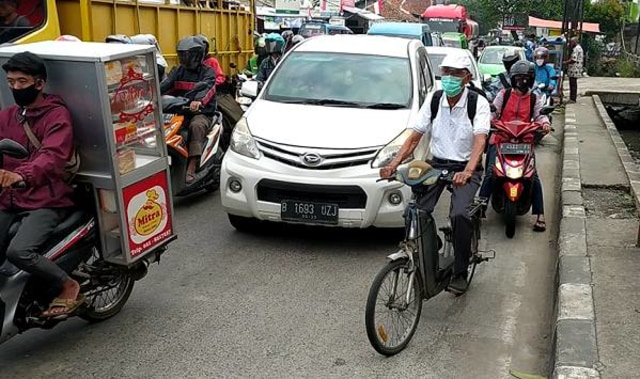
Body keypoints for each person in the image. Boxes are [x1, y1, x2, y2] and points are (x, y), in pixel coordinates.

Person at [380, 53, 490, 295]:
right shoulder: (435, 99)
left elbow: (480, 141)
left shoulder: (477, 103)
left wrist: (468, 171)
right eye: (446, 72)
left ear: (467, 77)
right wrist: (393, 164)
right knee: (414, 210)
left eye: (456, 73)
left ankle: (460, 270)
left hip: (464, 167)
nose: (449, 77)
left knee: (460, 214)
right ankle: (431, 245)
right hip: (437, 163)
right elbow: (414, 137)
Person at [0, 52, 82, 318]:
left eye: (21, 81)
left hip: (45, 198)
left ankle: (67, 284)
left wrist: (21, 175)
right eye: (11, 82)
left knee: (19, 251)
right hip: (9, 197)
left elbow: (52, 156)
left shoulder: (57, 116)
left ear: (39, 83)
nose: (15, 87)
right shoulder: (9, 116)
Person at [478, 60, 551, 231]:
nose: (522, 81)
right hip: (502, 139)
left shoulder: (535, 98)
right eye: (518, 78)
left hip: (524, 142)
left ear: (531, 80)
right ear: (513, 79)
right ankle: (480, 206)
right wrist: (487, 121)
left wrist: (545, 123)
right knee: (491, 172)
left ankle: (540, 214)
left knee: (533, 176)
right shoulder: (504, 94)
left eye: (526, 78)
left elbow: (540, 116)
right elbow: (493, 111)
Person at [161, 36, 216, 184]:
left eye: (186, 55)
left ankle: (192, 165)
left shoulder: (208, 72)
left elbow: (208, 89)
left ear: (196, 56)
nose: (183, 59)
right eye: (181, 55)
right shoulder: (178, 70)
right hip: (180, 110)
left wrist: (198, 101)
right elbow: (166, 84)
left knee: (196, 127)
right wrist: (151, 94)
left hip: (201, 112)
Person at [564, 37, 583, 103]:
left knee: (573, 84)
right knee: (573, 84)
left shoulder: (576, 49)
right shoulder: (579, 48)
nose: (570, 44)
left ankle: (573, 99)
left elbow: (573, 60)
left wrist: (565, 62)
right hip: (576, 69)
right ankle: (572, 98)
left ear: (575, 42)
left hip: (574, 69)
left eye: (571, 42)